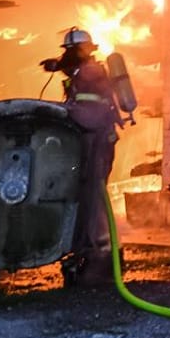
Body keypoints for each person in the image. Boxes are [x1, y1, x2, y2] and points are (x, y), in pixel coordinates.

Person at [41, 27, 121, 280]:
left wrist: (62, 111)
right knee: (85, 195)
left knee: (93, 196)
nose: (66, 56)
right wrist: (57, 66)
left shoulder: (90, 72)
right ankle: (87, 247)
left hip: (96, 142)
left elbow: (88, 113)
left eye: (70, 51)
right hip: (91, 142)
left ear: (80, 51)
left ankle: (96, 251)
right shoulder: (82, 71)